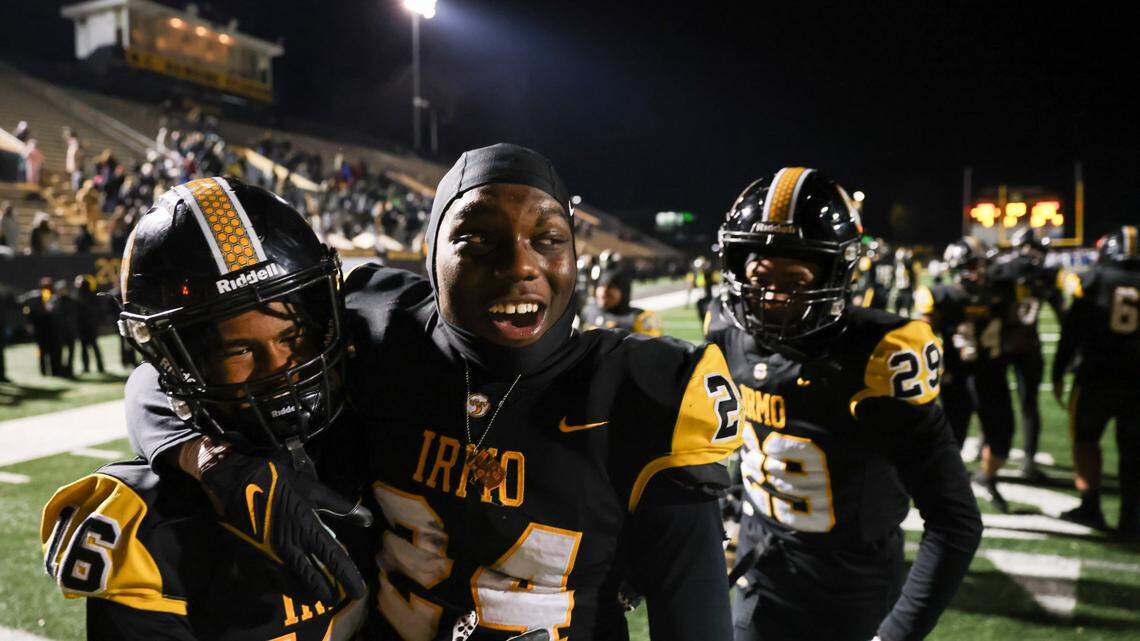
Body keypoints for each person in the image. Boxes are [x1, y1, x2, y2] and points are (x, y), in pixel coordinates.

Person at [124, 148, 743, 641]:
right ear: (431, 257)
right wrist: (211, 461)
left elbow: (696, 620)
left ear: (575, 255)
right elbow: (167, 373)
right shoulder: (377, 321)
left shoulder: (641, 394)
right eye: (478, 240)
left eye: (548, 238)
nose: (520, 264)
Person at [41, 177, 373, 639]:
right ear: (180, 365)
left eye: (293, 337)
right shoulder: (153, 531)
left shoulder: (390, 410)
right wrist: (208, 459)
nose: (281, 369)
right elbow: (147, 383)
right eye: (236, 351)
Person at [709, 168, 981, 641]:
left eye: (793, 280)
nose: (772, 297)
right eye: (759, 276)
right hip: (761, 575)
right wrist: (734, 500)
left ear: (835, 273)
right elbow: (745, 436)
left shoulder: (878, 356)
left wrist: (896, 633)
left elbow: (954, 521)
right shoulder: (728, 333)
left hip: (851, 594)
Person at [1051, 225, 1140, 539]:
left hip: (1096, 376)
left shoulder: (1092, 279)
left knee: (1086, 441)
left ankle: (1091, 506)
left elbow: (1072, 330)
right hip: (1136, 380)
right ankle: (1132, 518)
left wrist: (1059, 369)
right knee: (1133, 450)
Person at [915, 237, 1016, 512]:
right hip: (955, 376)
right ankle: (945, 488)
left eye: (982, 263)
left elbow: (1016, 328)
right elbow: (922, 338)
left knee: (1002, 433)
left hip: (991, 371)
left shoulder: (1001, 293)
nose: (980, 270)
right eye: (973, 264)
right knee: (951, 437)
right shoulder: (942, 295)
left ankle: (987, 477)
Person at [988, 227, 1065, 480]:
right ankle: (1028, 460)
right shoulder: (1045, 274)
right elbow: (1061, 312)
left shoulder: (1002, 268)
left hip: (1000, 345)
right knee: (1029, 405)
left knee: (995, 402)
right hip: (1029, 344)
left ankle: (987, 449)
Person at [579, 268, 663, 335]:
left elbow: (652, 350)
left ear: (624, 291)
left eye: (611, 287)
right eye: (601, 286)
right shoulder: (589, 310)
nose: (603, 291)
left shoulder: (640, 317)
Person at [72, 274, 105, 374]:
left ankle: (91, 367)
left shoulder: (78, 296)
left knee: (88, 347)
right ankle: (97, 367)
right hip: (88, 325)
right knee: (91, 347)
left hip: (85, 326)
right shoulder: (91, 295)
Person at [51, 278, 79, 378]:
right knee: (59, 352)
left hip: (69, 330)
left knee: (71, 351)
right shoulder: (54, 301)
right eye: (61, 289)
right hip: (59, 331)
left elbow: (74, 315)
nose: (63, 291)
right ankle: (60, 371)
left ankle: (69, 370)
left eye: (64, 289)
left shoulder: (71, 301)